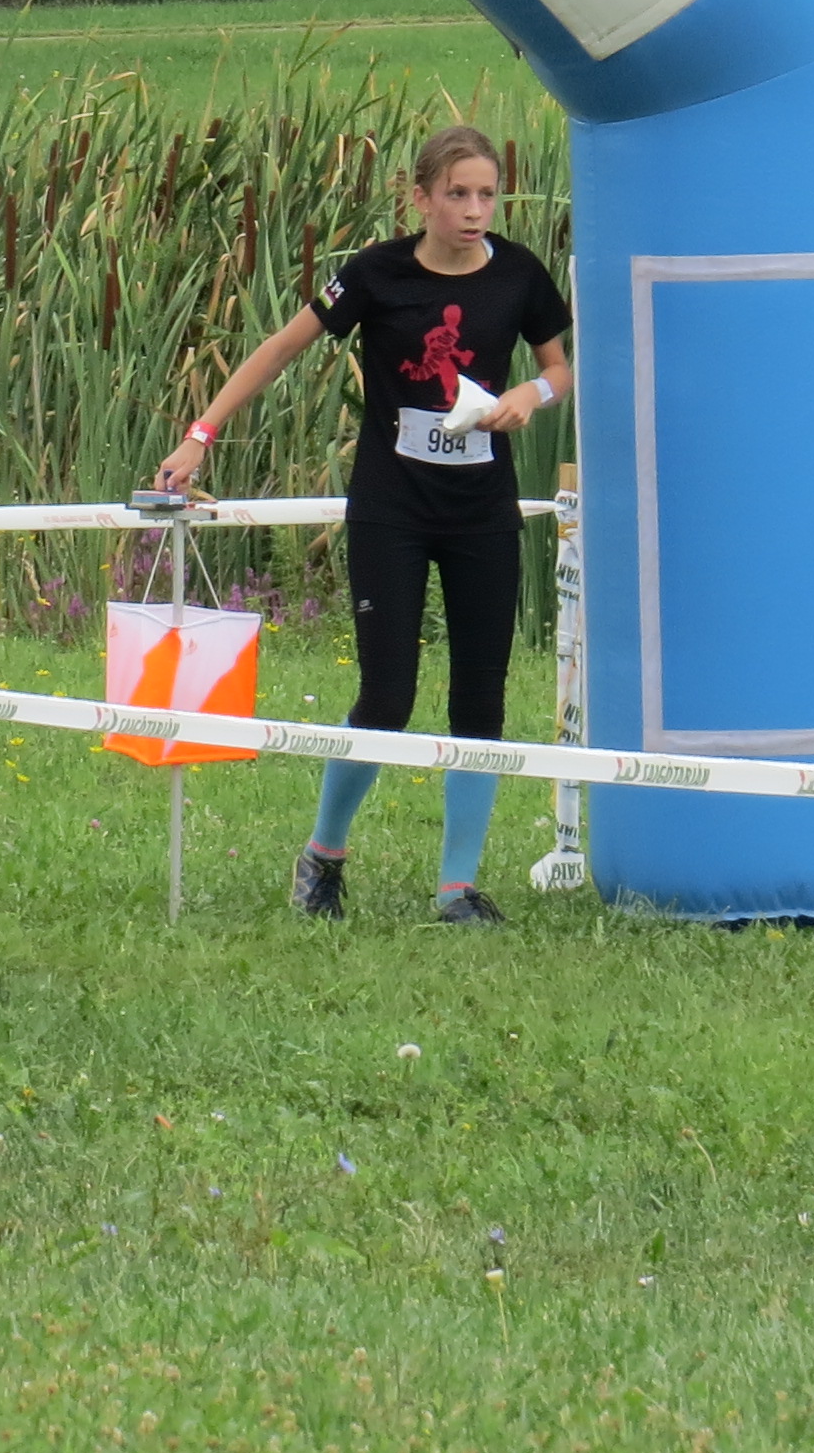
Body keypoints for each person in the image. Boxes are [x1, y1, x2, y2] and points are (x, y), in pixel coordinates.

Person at [153, 126, 571, 925]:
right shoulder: (377, 273)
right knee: (387, 695)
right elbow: (279, 350)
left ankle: (457, 890)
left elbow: (558, 367)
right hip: (392, 511)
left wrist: (532, 395)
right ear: (420, 198)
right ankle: (324, 856)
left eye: (487, 195)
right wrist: (200, 435)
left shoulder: (519, 274)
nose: (474, 210)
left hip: (482, 513)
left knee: (480, 700)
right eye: (457, 194)